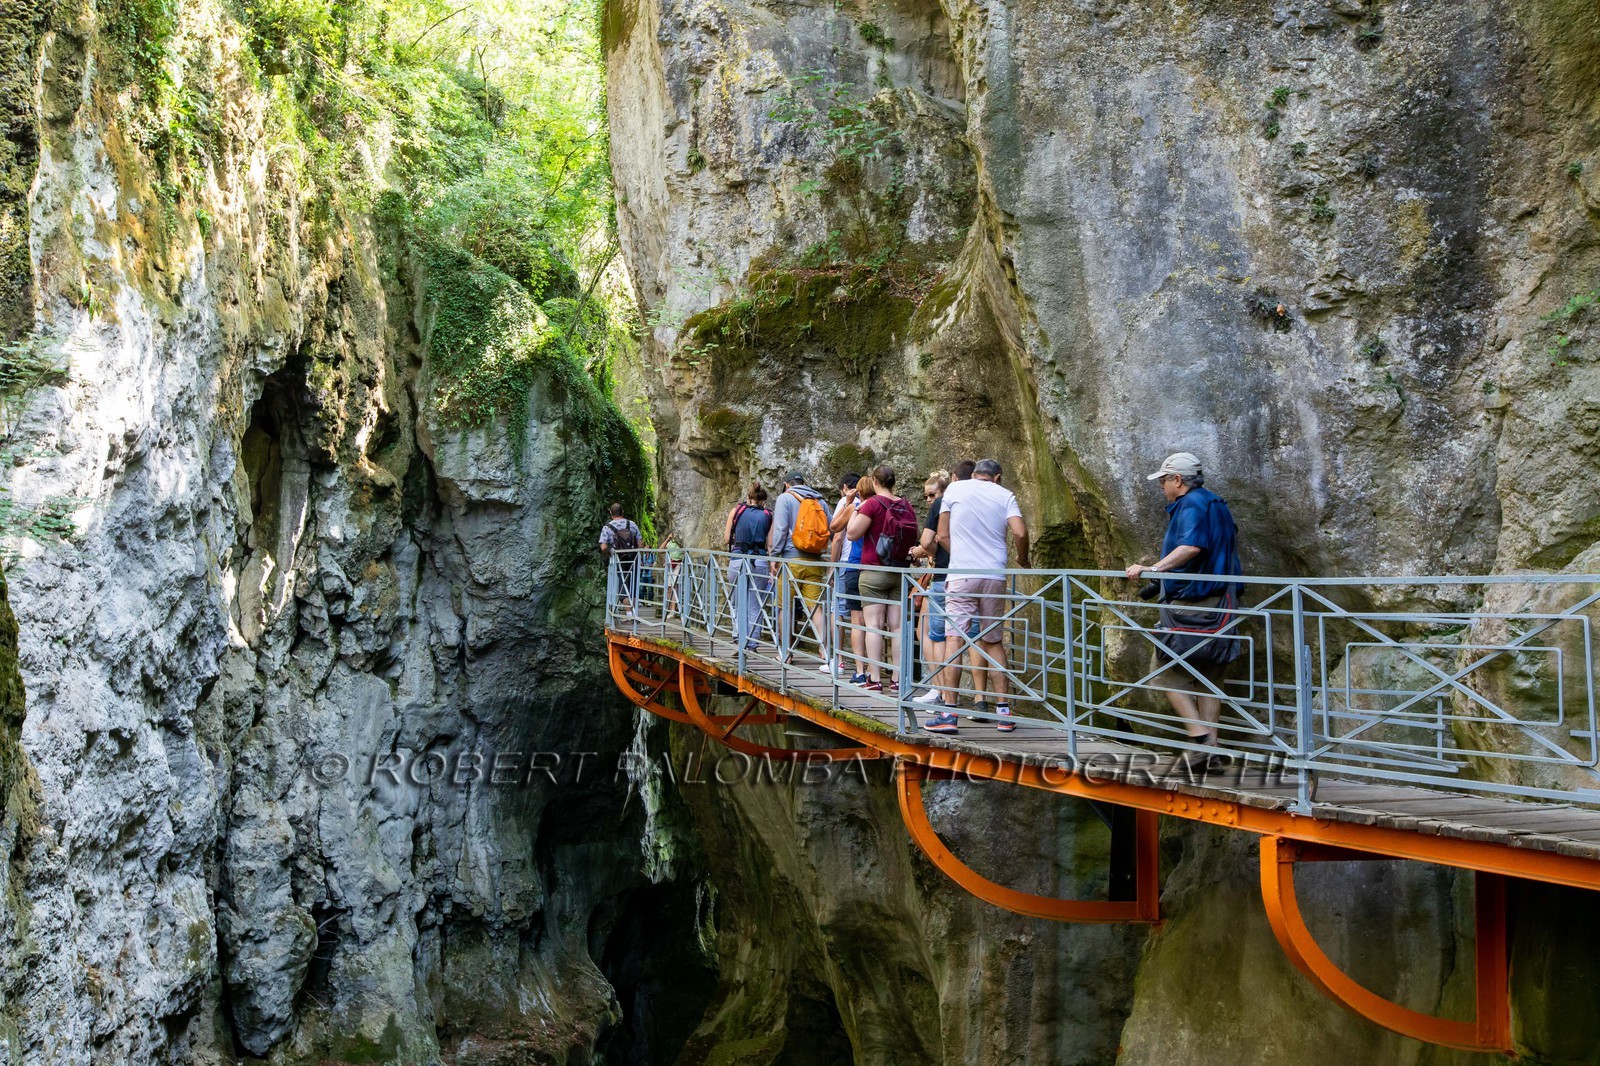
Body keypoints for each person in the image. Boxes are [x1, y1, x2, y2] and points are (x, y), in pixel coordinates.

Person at [1124, 452, 1244, 768]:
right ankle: (1211, 753)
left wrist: (1153, 569)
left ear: (1177, 480)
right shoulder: (1216, 502)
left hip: (1195, 605)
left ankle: (1199, 738)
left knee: (1162, 672)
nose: (1162, 487)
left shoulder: (1191, 505)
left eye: (1163, 481)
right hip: (1223, 601)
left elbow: (1192, 547)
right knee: (1209, 678)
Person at [929, 459, 1029, 733]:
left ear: (974, 475)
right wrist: (1023, 558)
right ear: (997, 477)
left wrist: (959, 552)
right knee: (993, 640)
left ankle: (949, 714)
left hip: (962, 574)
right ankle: (1004, 712)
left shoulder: (954, 491)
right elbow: (1019, 531)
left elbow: (941, 534)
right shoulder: (1005, 494)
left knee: (955, 639)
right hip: (994, 575)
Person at [847, 464, 920, 693]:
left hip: (873, 571)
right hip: (899, 572)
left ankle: (875, 678)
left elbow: (852, 533)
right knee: (897, 627)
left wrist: (856, 511)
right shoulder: (905, 505)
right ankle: (897, 679)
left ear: (875, 482)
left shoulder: (872, 504)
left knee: (874, 626)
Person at [767, 471, 832, 660]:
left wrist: (775, 557)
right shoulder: (820, 500)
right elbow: (831, 528)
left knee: (784, 606)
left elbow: (780, 529)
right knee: (815, 609)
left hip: (790, 562)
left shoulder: (785, 498)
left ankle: (785, 653)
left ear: (787, 484)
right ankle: (826, 653)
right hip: (815, 561)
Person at [829, 474, 877, 685]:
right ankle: (879, 673)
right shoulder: (883, 506)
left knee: (857, 621)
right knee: (877, 623)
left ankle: (859, 670)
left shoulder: (857, 507)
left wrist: (848, 503)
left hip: (856, 565)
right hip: (878, 568)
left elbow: (834, 528)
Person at [908, 471, 951, 704]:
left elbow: (932, 543)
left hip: (941, 578)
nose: (928, 500)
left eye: (931, 495)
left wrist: (917, 551)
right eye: (926, 496)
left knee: (931, 633)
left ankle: (939, 689)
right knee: (927, 632)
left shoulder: (943, 508)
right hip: (940, 576)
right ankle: (939, 688)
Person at [725, 484, 773, 649]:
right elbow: (771, 543)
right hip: (759, 561)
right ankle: (752, 642)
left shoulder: (736, 511)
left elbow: (726, 539)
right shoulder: (768, 515)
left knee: (737, 602)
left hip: (738, 560)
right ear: (763, 501)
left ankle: (738, 637)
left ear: (748, 497)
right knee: (755, 604)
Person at [825, 473, 863, 677]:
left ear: (845, 487)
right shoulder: (868, 501)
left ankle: (838, 661)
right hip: (864, 565)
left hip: (846, 563)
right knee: (861, 617)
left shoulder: (846, 502)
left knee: (837, 611)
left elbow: (837, 537)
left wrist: (832, 567)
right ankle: (864, 667)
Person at [599, 503, 644, 615]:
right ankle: (633, 612)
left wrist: (610, 555)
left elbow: (603, 547)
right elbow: (640, 544)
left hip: (619, 560)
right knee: (632, 583)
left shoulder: (607, 528)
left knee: (622, 584)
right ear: (622, 512)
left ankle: (629, 613)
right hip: (633, 558)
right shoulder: (632, 524)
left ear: (611, 513)